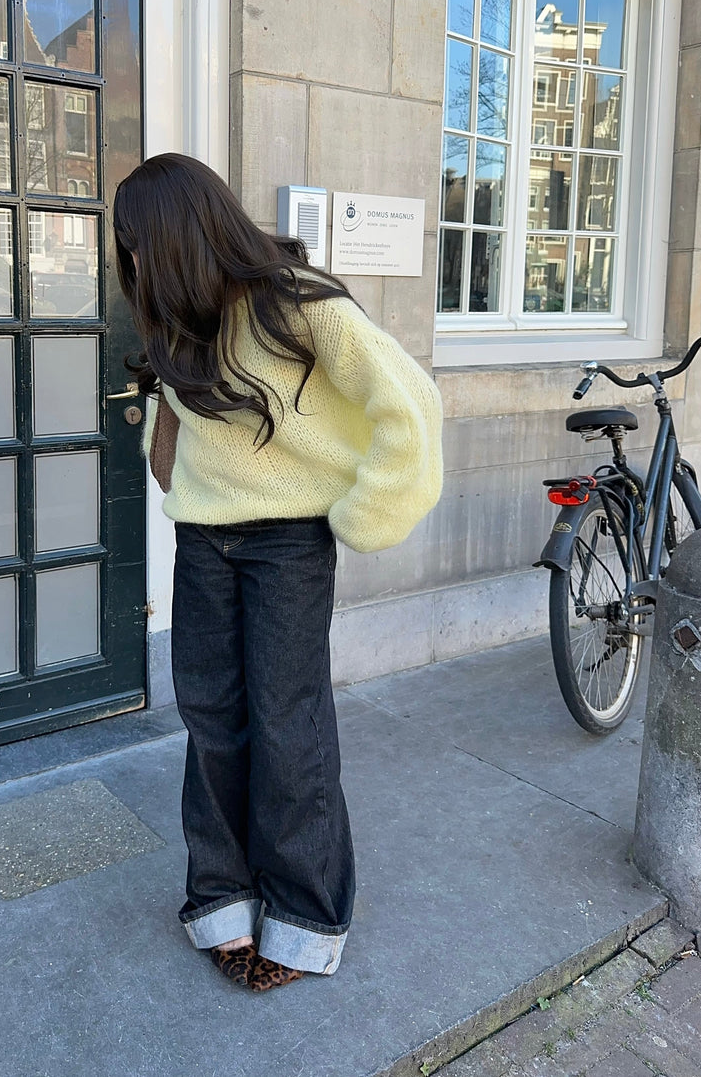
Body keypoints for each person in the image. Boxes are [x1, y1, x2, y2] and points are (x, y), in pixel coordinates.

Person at [113, 153, 443, 993]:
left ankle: (303, 920)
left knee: (289, 729)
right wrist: (174, 467)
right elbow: (178, 427)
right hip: (203, 543)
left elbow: (410, 404)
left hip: (288, 546)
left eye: (139, 241)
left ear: (182, 232)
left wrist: (363, 515)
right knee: (212, 723)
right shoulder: (178, 316)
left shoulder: (298, 302)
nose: (134, 260)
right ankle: (222, 900)